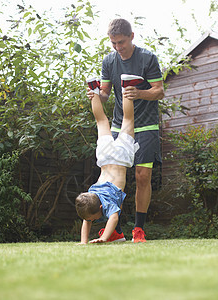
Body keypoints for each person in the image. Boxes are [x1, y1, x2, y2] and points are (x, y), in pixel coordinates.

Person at [87, 18, 164, 243]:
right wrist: (95, 96)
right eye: (113, 43)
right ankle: (117, 231)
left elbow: (159, 91)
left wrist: (139, 93)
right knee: (112, 179)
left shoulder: (148, 58)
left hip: (147, 125)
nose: (118, 47)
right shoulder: (109, 62)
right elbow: (105, 94)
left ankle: (138, 230)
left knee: (142, 176)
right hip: (119, 125)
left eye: (121, 42)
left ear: (131, 37)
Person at [76, 76, 141, 244]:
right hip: (105, 156)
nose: (94, 220)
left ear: (100, 208)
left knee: (128, 120)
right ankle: (94, 89)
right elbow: (87, 218)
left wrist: (103, 238)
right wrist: (83, 242)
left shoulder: (108, 203)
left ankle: (126, 85)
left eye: (95, 218)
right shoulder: (91, 197)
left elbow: (113, 218)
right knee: (101, 121)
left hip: (120, 158)